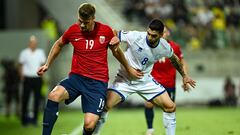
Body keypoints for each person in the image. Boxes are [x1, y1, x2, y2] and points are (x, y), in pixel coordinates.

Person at [37, 3, 140, 135]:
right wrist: (47, 64)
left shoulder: (105, 31)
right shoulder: (73, 30)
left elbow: (117, 52)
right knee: (53, 95)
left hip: (97, 84)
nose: (82, 25)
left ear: (93, 18)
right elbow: (59, 44)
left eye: (85, 22)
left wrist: (129, 69)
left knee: (90, 125)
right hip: (76, 78)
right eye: (80, 21)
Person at [93, 19, 196, 135]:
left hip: (145, 81)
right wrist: (115, 38)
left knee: (170, 107)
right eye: (149, 33)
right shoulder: (136, 36)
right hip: (124, 80)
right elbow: (115, 33)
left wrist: (184, 75)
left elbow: (175, 59)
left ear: (161, 35)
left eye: (154, 35)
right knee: (104, 106)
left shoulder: (164, 46)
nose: (150, 37)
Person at [144, 26, 188, 135]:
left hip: (169, 82)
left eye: (164, 32)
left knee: (169, 107)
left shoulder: (174, 47)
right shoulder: (150, 45)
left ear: (167, 33)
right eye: (160, 32)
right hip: (153, 81)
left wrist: (185, 77)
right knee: (148, 104)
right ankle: (150, 129)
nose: (162, 34)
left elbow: (182, 62)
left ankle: (168, 129)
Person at [19, 35, 46, 126]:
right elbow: (21, 65)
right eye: (32, 43)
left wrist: (43, 76)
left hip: (37, 78)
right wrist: (21, 75)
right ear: (29, 43)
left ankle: (35, 119)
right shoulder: (24, 53)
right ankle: (24, 120)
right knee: (25, 99)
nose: (33, 44)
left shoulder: (40, 52)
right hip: (27, 78)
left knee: (37, 100)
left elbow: (43, 64)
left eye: (35, 43)